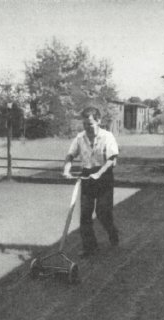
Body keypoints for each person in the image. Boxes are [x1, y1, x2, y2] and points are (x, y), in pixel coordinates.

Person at [63, 106, 120, 258]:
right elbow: (70, 155)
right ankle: (90, 247)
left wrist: (99, 173)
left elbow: (112, 160)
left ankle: (112, 232)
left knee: (102, 212)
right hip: (87, 175)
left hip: (104, 176)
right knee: (85, 215)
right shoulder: (80, 138)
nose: (87, 127)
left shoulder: (107, 137)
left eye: (90, 124)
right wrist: (66, 169)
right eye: (85, 124)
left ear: (98, 121)